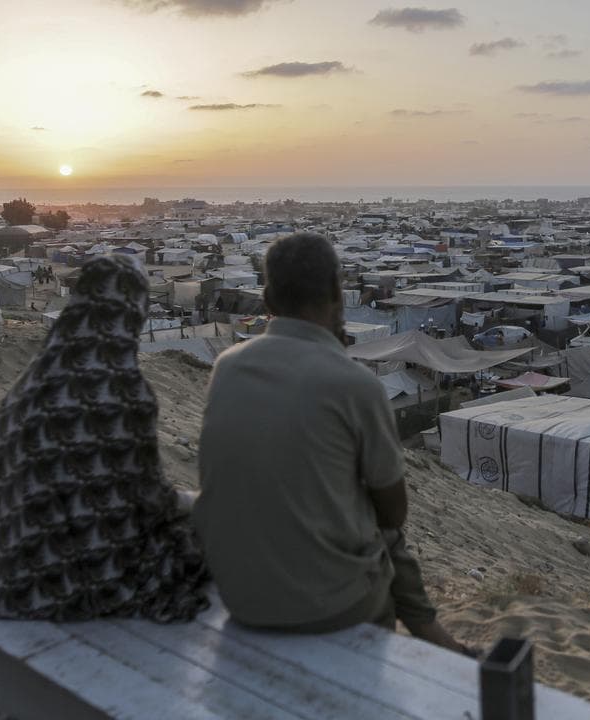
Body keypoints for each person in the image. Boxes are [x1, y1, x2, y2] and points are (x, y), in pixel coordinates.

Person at [195, 233, 468, 653]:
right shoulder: (356, 386)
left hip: (240, 597)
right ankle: (430, 633)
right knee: (383, 533)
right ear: (338, 296)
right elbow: (394, 513)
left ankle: (432, 632)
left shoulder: (227, 367)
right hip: (327, 609)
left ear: (267, 300)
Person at [0, 255, 210, 622]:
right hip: (74, 586)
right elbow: (145, 500)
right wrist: (191, 503)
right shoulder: (125, 390)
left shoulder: (33, 381)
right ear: (133, 313)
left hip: (3, 577)